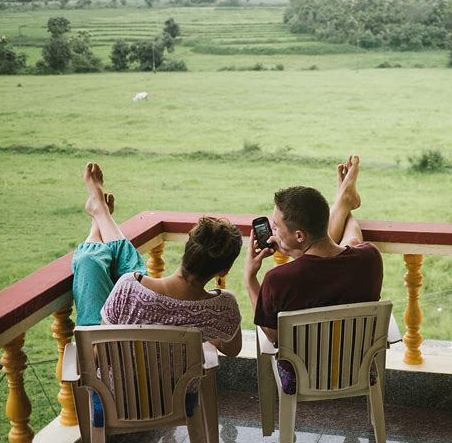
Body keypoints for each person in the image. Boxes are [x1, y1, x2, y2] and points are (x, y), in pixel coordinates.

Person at [72, 162, 243, 358]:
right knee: (128, 270)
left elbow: (97, 356)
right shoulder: (222, 308)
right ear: (224, 270)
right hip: (177, 389)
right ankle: (100, 213)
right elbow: (231, 350)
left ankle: (98, 219)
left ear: (187, 248)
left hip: (115, 388)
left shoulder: (129, 288)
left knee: (94, 264)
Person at [244, 156, 383, 391]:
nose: (273, 231)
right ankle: (346, 200)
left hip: (304, 375)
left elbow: (270, 334)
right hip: (356, 368)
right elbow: (351, 240)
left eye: (277, 227)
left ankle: (345, 199)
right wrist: (298, 254)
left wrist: (249, 278)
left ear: (299, 236)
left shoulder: (278, 279)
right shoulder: (370, 258)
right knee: (350, 240)